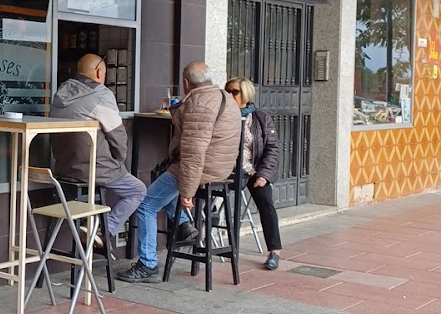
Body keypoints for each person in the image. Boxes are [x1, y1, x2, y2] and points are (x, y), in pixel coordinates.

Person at [119, 60, 242, 283]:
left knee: (146, 204)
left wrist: (187, 191)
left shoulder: (199, 104)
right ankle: (184, 224)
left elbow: (194, 153)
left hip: (203, 169)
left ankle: (147, 265)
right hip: (221, 169)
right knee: (162, 184)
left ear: (186, 83)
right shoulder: (227, 98)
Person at [49, 54, 146, 249]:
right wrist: (119, 161)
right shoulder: (101, 95)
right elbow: (118, 139)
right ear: (99, 71)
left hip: (62, 170)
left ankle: (94, 230)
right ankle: (102, 230)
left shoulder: (60, 92)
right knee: (137, 190)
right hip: (94, 170)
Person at [226, 76, 283, 270]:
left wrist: (264, 175)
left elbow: (272, 148)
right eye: (227, 91)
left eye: (234, 92)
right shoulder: (223, 116)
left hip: (254, 171)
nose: (229, 95)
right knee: (215, 200)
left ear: (246, 94)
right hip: (231, 171)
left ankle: (274, 252)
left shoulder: (261, 118)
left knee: (266, 203)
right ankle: (213, 241)